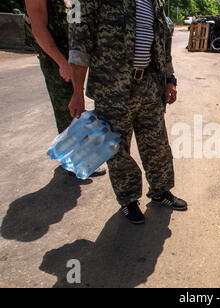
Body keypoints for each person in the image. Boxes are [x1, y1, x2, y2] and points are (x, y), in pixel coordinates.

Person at [68, 0, 188, 224]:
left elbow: (164, 45)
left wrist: (169, 79)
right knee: (118, 150)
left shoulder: (155, 2)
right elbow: (79, 45)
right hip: (111, 89)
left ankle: (160, 191)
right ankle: (129, 200)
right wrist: (77, 91)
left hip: (150, 86)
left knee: (157, 144)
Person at [23, 0, 105, 178]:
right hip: (57, 57)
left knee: (78, 107)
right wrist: (62, 62)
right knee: (67, 108)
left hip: (75, 54)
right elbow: (38, 29)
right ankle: (74, 162)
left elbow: (76, 24)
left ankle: (80, 156)